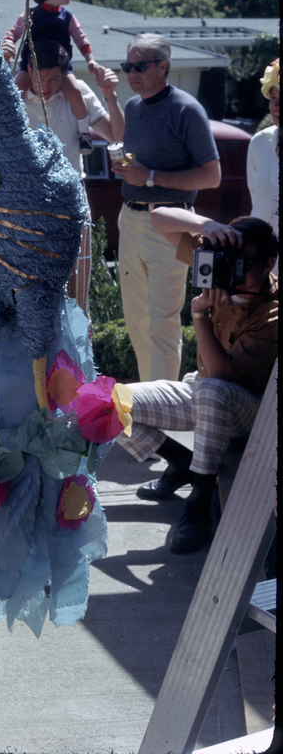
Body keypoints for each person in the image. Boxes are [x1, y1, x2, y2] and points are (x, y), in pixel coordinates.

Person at [117, 208, 278, 553]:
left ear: (269, 264)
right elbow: (158, 218)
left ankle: (200, 503)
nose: (231, 272)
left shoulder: (273, 312)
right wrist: (207, 225)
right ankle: (179, 462)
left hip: (249, 410)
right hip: (200, 388)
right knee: (108, 403)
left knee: (213, 388)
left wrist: (199, 314)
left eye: (244, 264)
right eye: (228, 260)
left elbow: (222, 374)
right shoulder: (218, 264)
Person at [115, 34, 221, 382]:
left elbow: (212, 176)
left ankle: (163, 407)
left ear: (163, 66)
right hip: (130, 217)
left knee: (162, 324)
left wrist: (150, 177)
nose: (132, 73)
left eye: (140, 66)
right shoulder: (133, 107)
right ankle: (150, 401)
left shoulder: (187, 109)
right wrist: (130, 170)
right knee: (136, 320)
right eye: (128, 66)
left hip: (171, 224)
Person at [22, 39, 125, 314]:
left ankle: (78, 341)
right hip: (26, 202)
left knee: (77, 292)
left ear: (65, 76)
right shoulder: (15, 97)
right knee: (30, 292)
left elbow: (116, 135)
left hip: (71, 198)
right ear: (29, 70)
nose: (46, 85)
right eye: (40, 77)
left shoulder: (78, 94)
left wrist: (110, 95)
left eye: (54, 79)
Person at [2, 0, 98, 153]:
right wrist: (8, 44)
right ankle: (7, 131)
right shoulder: (30, 14)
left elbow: (81, 39)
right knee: (14, 93)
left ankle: (84, 133)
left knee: (76, 93)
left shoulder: (67, 16)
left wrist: (90, 60)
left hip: (61, 69)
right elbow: (13, 32)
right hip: (30, 67)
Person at [246, 58, 279, 257]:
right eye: (272, 97)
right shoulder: (259, 141)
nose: (276, 106)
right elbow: (256, 202)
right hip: (264, 258)